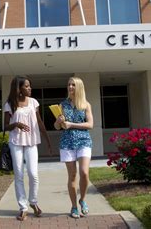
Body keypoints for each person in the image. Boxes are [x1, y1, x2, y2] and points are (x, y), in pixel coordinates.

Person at [4, 75, 52, 221]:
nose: (30, 88)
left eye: (30, 86)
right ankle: (23, 207)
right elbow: (5, 126)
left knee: (33, 174)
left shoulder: (33, 102)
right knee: (19, 174)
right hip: (16, 142)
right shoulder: (10, 104)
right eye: (26, 86)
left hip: (31, 141)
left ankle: (33, 202)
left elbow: (39, 121)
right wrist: (16, 124)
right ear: (19, 88)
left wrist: (48, 141)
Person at [54, 77, 94, 219]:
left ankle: (82, 199)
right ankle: (74, 207)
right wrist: (58, 122)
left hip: (83, 141)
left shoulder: (86, 105)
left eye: (73, 85)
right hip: (67, 143)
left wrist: (72, 124)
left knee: (84, 172)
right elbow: (58, 126)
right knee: (72, 176)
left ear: (79, 87)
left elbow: (90, 125)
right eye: (69, 84)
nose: (70, 87)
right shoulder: (63, 105)